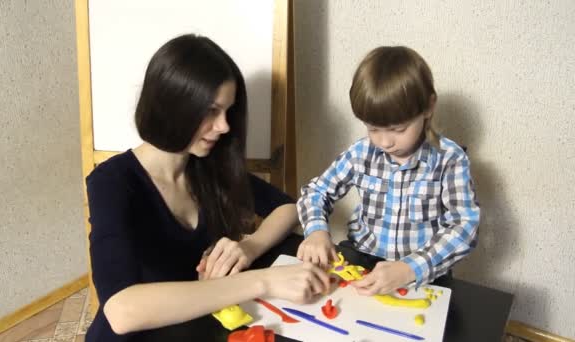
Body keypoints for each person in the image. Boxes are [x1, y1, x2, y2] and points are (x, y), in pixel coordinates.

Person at [85, 34, 329, 341]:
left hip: (193, 327)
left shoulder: (206, 165)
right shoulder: (111, 183)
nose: (224, 126)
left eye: (227, 111)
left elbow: (288, 207)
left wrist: (249, 246)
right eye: (212, 111)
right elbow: (121, 311)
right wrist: (263, 281)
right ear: (173, 106)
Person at [296, 46, 479, 296]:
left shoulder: (450, 159)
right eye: (373, 129)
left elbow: (464, 225)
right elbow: (316, 192)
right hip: (361, 257)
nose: (384, 142)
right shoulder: (361, 153)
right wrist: (316, 231)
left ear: (428, 107)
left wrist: (408, 269)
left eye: (398, 129)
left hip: (420, 270)